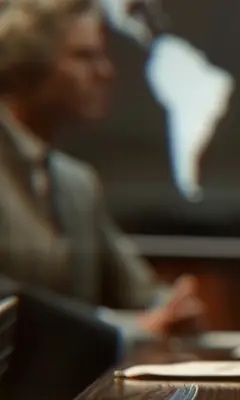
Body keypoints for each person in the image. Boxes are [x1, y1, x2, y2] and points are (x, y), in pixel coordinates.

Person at [0, 0, 201, 341]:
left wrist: (174, 307)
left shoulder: (77, 184)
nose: (105, 71)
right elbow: (12, 315)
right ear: (26, 65)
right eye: (84, 56)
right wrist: (125, 330)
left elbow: (141, 292)